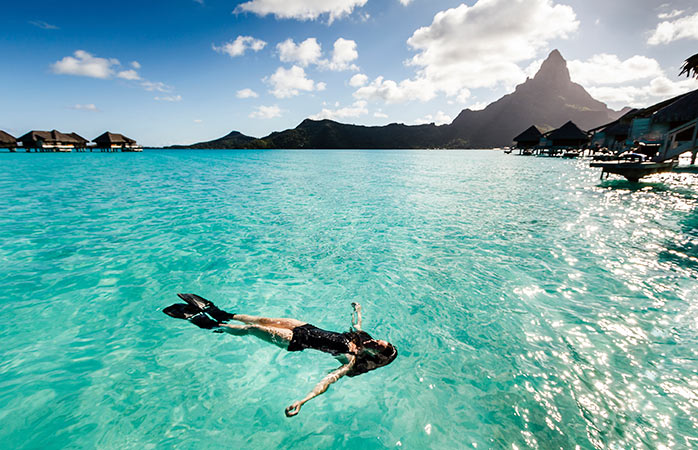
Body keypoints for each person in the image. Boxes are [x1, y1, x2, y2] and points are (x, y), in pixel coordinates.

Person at [163, 294, 398, 417]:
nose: (377, 341)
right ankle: (220, 313)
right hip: (305, 326)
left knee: (254, 329)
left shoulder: (350, 360)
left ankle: (211, 325)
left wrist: (303, 401)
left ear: (377, 356)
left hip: (296, 341)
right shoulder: (363, 338)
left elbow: (327, 381)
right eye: (381, 340)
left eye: (379, 345)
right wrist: (357, 311)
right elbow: (357, 325)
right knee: (259, 319)